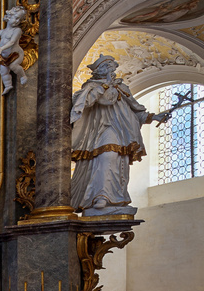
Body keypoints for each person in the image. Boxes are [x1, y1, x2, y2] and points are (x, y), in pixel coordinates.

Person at [70, 55, 171, 216]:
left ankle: (116, 198)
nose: (110, 69)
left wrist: (154, 117)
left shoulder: (121, 87)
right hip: (101, 129)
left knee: (118, 162)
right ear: (97, 71)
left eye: (112, 66)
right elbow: (85, 102)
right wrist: (104, 86)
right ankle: (99, 196)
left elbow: (135, 110)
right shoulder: (91, 87)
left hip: (122, 130)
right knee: (106, 157)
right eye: (106, 66)